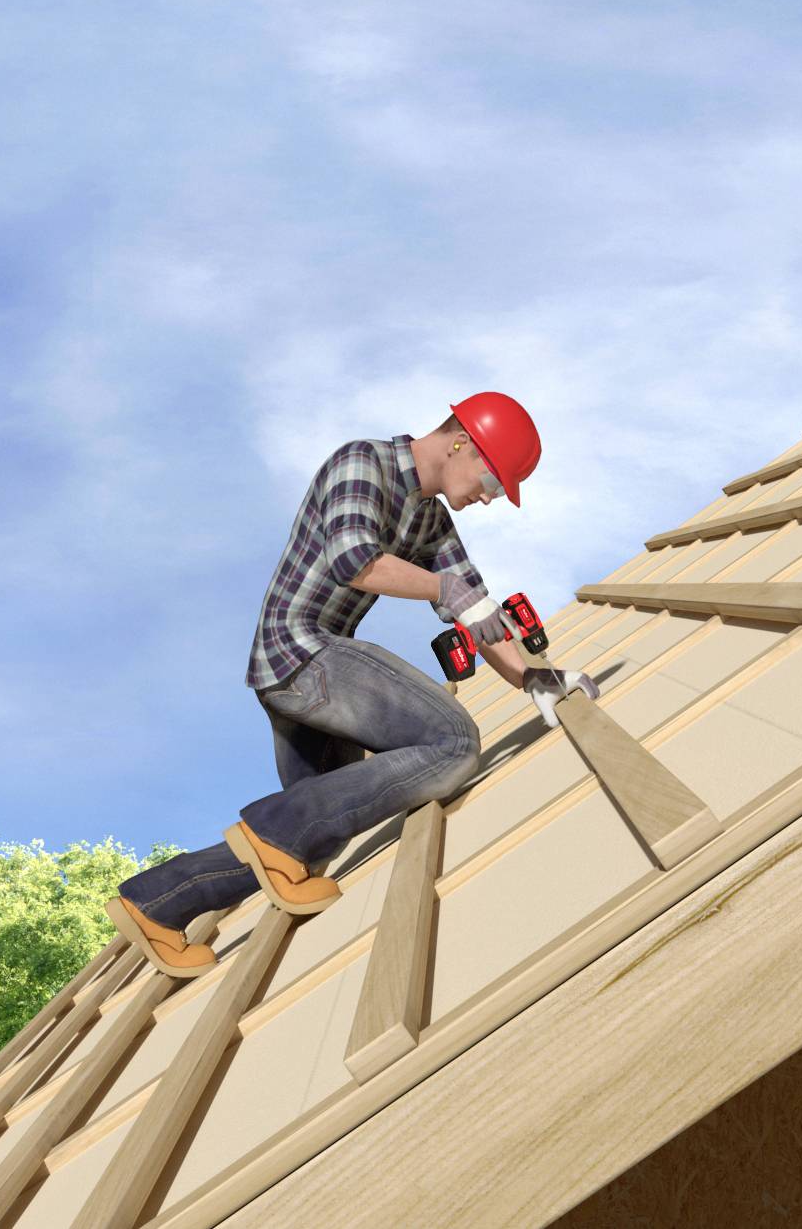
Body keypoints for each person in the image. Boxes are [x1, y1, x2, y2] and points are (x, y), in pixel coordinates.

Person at [106, 391, 596, 978]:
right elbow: (356, 561)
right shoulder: (362, 464)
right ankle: (274, 838)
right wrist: (447, 593)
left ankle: (158, 902)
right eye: (493, 481)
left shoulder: (432, 519)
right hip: (301, 650)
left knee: (316, 831)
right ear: (461, 441)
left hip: (301, 669)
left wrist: (533, 678)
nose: (490, 498)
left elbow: (475, 607)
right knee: (453, 742)